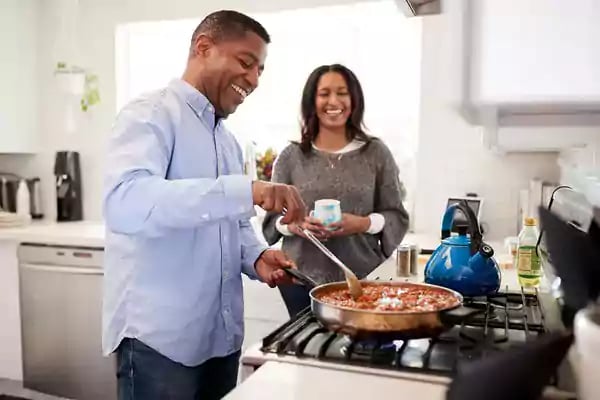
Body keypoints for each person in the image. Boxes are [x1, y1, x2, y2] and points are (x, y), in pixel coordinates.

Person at [102, 10, 306, 400]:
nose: (254, 79)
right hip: (161, 342)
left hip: (221, 337)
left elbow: (233, 224)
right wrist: (246, 191)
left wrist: (258, 257)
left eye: (260, 70)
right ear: (204, 48)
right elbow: (125, 202)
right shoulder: (150, 114)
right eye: (246, 63)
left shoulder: (227, 141)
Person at [262, 64, 409, 317]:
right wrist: (295, 226)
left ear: (354, 100)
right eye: (324, 93)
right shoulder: (290, 157)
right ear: (312, 101)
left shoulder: (376, 154)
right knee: (308, 350)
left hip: (363, 279)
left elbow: (396, 215)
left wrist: (362, 223)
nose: (334, 101)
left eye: (342, 93)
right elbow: (272, 222)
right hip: (300, 280)